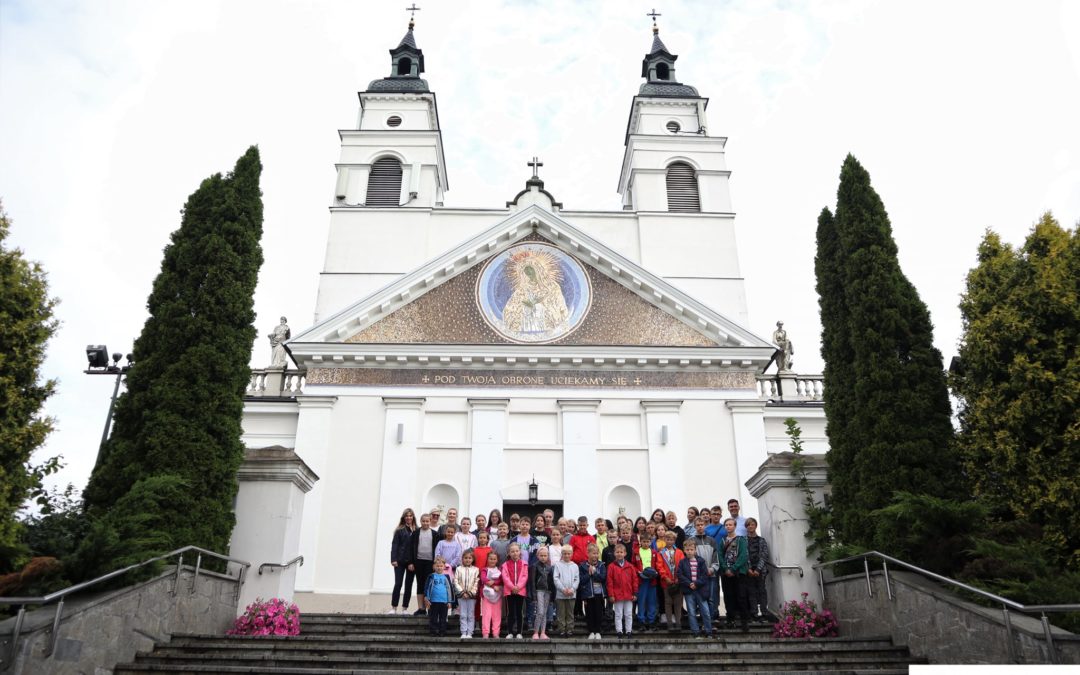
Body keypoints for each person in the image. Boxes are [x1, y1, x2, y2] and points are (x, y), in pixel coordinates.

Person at [687, 516, 720, 626]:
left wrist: (712, 569)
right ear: (695, 526)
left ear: (705, 525)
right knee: (699, 599)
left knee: (710, 598)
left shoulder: (711, 540)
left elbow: (716, 556)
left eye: (702, 525)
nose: (700, 527)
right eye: (698, 525)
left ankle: (709, 622)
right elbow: (690, 558)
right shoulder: (691, 541)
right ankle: (702, 622)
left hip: (710, 574)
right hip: (698, 576)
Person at [720, 517, 751, 632]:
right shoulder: (722, 541)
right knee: (728, 597)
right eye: (726, 525)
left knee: (741, 597)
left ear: (735, 526)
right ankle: (730, 620)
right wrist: (725, 569)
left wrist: (733, 569)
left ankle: (744, 622)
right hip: (726, 574)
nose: (728, 526)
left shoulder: (741, 540)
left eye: (730, 524)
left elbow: (743, 556)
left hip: (739, 573)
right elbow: (720, 555)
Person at [678, 540, 713, 638]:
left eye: (691, 549)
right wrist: (689, 584)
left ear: (695, 550)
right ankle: (695, 632)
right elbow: (680, 575)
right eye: (687, 549)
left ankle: (708, 631)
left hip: (700, 590)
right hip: (689, 591)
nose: (689, 551)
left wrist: (696, 583)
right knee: (691, 612)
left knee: (705, 611)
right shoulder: (682, 562)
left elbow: (704, 575)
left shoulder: (701, 561)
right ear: (684, 550)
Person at [606, 543, 638, 640]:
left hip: (628, 594)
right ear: (614, 553)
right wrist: (611, 594)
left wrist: (635, 593)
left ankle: (628, 630)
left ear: (625, 553)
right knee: (618, 614)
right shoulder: (611, 566)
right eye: (617, 552)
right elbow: (609, 581)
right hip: (617, 595)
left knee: (628, 614)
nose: (619, 554)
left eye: (621, 552)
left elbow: (635, 580)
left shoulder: (630, 566)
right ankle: (619, 630)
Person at [409, 513, 439, 615]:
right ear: (420, 522)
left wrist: (436, 563)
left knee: (430, 584)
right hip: (418, 561)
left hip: (430, 562)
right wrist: (411, 562)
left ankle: (430, 608)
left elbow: (437, 549)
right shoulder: (416, 533)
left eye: (427, 521)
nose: (425, 523)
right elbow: (411, 548)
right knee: (420, 584)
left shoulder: (435, 534)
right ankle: (421, 608)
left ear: (430, 522)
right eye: (423, 521)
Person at [656, 529, 685, 633]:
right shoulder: (661, 553)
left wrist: (678, 577)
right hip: (666, 582)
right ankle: (669, 624)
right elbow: (659, 566)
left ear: (674, 540)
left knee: (678, 603)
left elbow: (682, 566)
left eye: (672, 539)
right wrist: (665, 577)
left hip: (678, 582)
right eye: (667, 539)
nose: (669, 541)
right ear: (664, 539)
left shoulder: (679, 552)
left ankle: (678, 623)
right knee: (668, 603)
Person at [389, 507, 416, 614]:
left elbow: (416, 548)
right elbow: (394, 545)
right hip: (399, 561)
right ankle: (394, 607)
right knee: (398, 584)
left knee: (408, 585)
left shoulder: (416, 530)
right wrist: (393, 559)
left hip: (411, 563)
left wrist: (413, 562)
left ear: (413, 517)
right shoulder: (399, 530)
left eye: (410, 516)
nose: (408, 518)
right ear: (404, 518)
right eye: (407, 516)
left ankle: (405, 608)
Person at [578, 543, 607, 640]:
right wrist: (589, 574)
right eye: (593, 553)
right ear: (588, 553)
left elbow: (603, 578)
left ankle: (598, 631)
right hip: (588, 594)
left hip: (599, 594)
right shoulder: (582, 566)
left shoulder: (602, 565)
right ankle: (591, 631)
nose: (595, 555)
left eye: (596, 553)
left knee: (599, 613)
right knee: (589, 613)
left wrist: (594, 573)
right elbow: (581, 580)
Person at [502, 542, 529, 639]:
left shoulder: (524, 564)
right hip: (509, 591)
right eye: (512, 551)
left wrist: (518, 587)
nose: (515, 553)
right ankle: (510, 632)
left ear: (520, 552)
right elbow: (505, 577)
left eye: (517, 551)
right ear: (509, 553)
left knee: (519, 611)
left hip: (520, 591)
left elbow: (524, 576)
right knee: (510, 612)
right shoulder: (505, 565)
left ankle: (519, 632)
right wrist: (512, 587)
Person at [745, 517, 770, 621]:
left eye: (752, 524)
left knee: (762, 591)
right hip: (749, 570)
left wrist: (758, 569)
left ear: (756, 526)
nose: (750, 526)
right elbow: (743, 556)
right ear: (746, 527)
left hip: (760, 571)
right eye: (748, 525)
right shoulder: (743, 540)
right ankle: (754, 613)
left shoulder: (762, 540)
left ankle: (764, 612)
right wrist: (749, 568)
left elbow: (764, 555)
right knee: (751, 592)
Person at [553, 544, 579, 638]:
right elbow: (556, 578)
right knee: (561, 613)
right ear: (562, 554)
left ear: (571, 554)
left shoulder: (575, 566)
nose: (566, 555)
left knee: (570, 613)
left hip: (571, 594)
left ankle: (570, 629)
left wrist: (572, 589)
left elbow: (577, 579)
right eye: (564, 554)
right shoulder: (558, 565)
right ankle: (562, 629)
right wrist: (563, 589)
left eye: (568, 554)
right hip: (561, 594)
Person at [528, 545, 554, 640]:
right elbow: (532, 582)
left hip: (547, 592)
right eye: (541, 555)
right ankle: (535, 632)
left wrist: (552, 595)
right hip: (539, 591)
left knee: (545, 612)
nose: (543, 557)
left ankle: (543, 632)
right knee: (540, 612)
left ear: (548, 556)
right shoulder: (535, 566)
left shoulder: (549, 567)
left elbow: (551, 582)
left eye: (545, 555)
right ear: (538, 556)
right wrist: (534, 595)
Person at [635, 532, 659, 631]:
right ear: (640, 542)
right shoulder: (636, 552)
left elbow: (657, 563)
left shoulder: (653, 552)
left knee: (652, 601)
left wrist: (656, 572)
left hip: (652, 579)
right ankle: (641, 621)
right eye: (643, 541)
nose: (645, 543)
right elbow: (633, 564)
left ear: (650, 542)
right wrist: (638, 572)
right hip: (641, 579)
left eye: (647, 542)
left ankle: (651, 621)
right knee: (641, 601)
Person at [425, 557, 454, 637]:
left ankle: (442, 631)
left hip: (444, 601)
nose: (439, 567)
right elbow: (427, 587)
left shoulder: (446, 577)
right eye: (437, 566)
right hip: (433, 601)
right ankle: (433, 631)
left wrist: (449, 601)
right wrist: (427, 598)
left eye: (441, 566)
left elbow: (449, 589)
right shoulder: (431, 576)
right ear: (434, 567)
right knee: (433, 618)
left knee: (443, 618)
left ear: (444, 567)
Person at [454, 548, 479, 639]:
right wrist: (462, 592)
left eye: (469, 558)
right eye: (466, 558)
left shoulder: (476, 570)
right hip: (461, 596)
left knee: (470, 614)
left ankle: (470, 632)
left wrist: (470, 593)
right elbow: (456, 581)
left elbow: (476, 582)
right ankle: (464, 632)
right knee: (463, 614)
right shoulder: (458, 569)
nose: (468, 560)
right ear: (462, 559)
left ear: (473, 559)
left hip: (471, 597)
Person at [479, 551, 503, 638]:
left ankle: (496, 633)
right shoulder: (484, 570)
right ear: (487, 559)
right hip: (487, 595)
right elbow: (484, 579)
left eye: (494, 559)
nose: (492, 560)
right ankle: (485, 633)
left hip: (497, 595)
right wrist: (493, 585)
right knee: (486, 614)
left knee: (497, 615)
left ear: (497, 560)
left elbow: (501, 579)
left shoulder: (500, 570)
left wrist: (494, 582)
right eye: (490, 559)